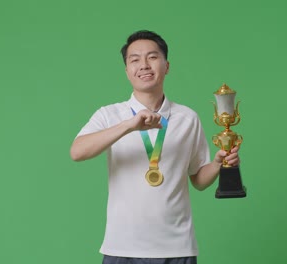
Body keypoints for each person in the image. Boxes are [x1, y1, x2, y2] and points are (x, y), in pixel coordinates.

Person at [70, 30, 240, 264]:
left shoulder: (187, 117)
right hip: (122, 247)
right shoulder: (110, 115)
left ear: (166, 66)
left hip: (177, 248)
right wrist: (129, 126)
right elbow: (77, 152)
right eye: (135, 59)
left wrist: (218, 163)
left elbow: (199, 180)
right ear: (127, 70)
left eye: (152, 57)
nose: (144, 65)